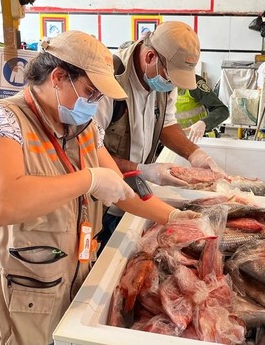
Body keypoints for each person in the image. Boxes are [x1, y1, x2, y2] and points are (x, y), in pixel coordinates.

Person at [0, 30, 198, 345]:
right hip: (3, 303)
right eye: (90, 92)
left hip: (58, 291)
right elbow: (1, 205)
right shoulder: (0, 121)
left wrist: (180, 220)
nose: (95, 103)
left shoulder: (83, 128)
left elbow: (124, 189)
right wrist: (89, 179)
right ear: (57, 77)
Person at [95, 21, 226, 250]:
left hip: (137, 195)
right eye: (170, 77)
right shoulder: (108, 82)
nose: (171, 85)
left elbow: (167, 124)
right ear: (150, 57)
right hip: (103, 201)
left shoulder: (163, 79)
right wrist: (144, 170)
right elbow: (89, 150)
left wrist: (194, 154)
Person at [176, 73, 229, 142]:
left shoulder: (194, 83)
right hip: (177, 137)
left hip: (200, 138)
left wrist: (203, 123)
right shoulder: (162, 87)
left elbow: (222, 110)